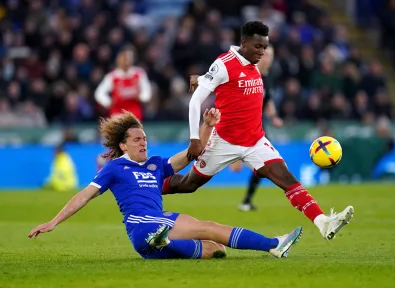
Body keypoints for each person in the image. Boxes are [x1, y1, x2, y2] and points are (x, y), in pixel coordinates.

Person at [162, 21, 354, 241]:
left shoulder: (254, 65)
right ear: (243, 43)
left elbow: (219, 81)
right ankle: (149, 186)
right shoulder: (224, 64)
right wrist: (195, 139)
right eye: (257, 47)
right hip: (224, 142)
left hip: (255, 141)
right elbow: (195, 101)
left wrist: (201, 78)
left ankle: (323, 222)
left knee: (287, 179)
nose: (262, 52)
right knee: (188, 185)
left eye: (265, 47)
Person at [28, 109, 303, 259]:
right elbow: (84, 196)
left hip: (158, 225)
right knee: (210, 228)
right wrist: (54, 221)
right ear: (123, 145)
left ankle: (164, 243)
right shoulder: (114, 168)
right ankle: (273, 244)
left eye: (144, 138)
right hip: (142, 224)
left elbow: (191, 154)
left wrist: (206, 126)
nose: (143, 142)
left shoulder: (156, 164)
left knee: (214, 248)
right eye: (137, 139)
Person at [190, 46, 283, 212]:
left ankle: (247, 200)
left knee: (263, 167)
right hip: (231, 125)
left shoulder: (267, 77)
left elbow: (268, 101)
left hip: (255, 127)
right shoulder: (243, 71)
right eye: (265, 54)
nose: (267, 58)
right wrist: (199, 79)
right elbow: (216, 77)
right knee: (238, 168)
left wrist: (274, 116)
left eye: (270, 55)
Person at [94, 47, 152, 121]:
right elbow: (99, 93)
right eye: (123, 58)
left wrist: (141, 97)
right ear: (118, 60)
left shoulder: (139, 74)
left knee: (134, 131)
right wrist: (108, 102)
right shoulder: (112, 76)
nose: (126, 61)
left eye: (128, 58)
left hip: (135, 112)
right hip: (117, 113)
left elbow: (147, 91)